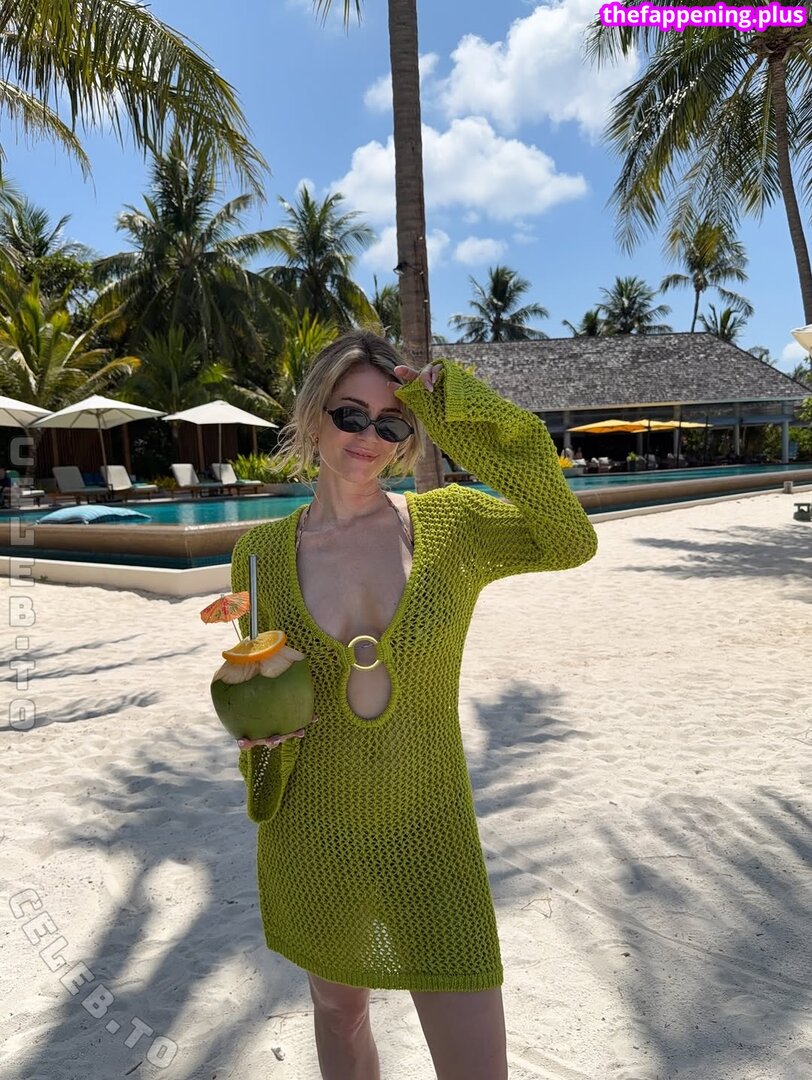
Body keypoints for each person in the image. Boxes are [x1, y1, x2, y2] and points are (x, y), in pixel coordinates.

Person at [229, 330, 598, 1079]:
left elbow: (569, 538)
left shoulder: (452, 528)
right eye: (350, 414)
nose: (369, 435)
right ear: (313, 413)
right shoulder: (257, 557)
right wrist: (260, 743)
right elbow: (268, 695)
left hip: (431, 831)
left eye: (393, 422)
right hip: (316, 832)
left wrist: (464, 411)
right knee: (339, 1013)